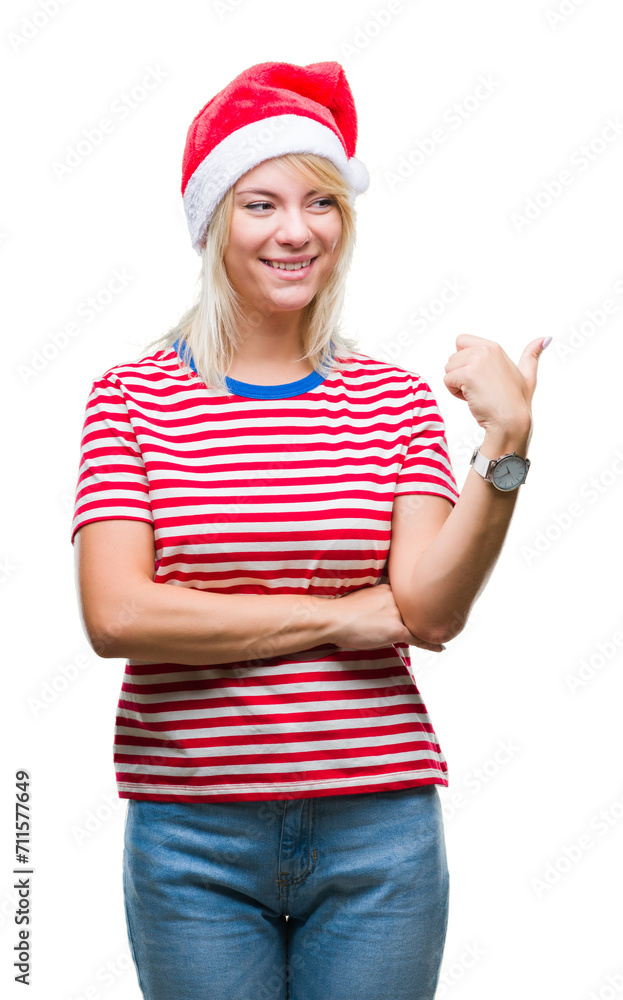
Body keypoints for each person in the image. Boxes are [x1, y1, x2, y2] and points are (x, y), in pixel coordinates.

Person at [71, 60, 549, 1000]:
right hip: (190, 834)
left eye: (321, 202)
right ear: (214, 222)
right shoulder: (131, 399)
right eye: (261, 204)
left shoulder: (393, 403)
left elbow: (428, 613)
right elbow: (118, 617)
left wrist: (505, 442)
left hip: (379, 833)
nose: (296, 231)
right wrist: (338, 616)